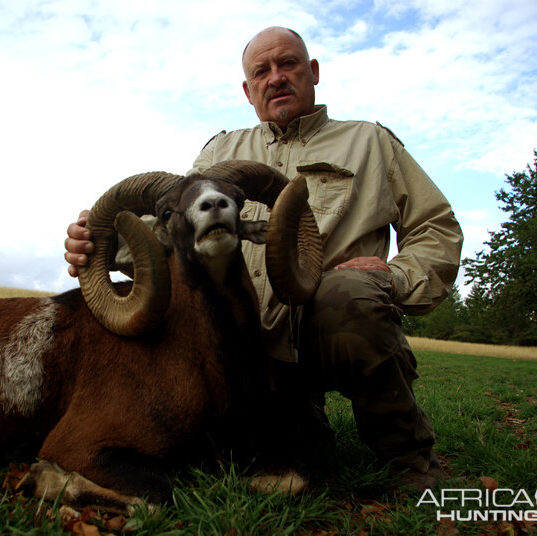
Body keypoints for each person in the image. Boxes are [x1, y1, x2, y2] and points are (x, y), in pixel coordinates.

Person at [65, 26, 463, 490]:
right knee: (270, 457)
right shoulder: (221, 152)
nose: (276, 77)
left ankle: (407, 458)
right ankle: (289, 419)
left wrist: (396, 276)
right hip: (238, 343)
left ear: (312, 72)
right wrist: (104, 247)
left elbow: (436, 228)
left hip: (327, 326)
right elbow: (182, 234)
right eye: (262, 71)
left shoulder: (369, 143)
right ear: (248, 89)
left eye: (288, 64)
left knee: (345, 295)